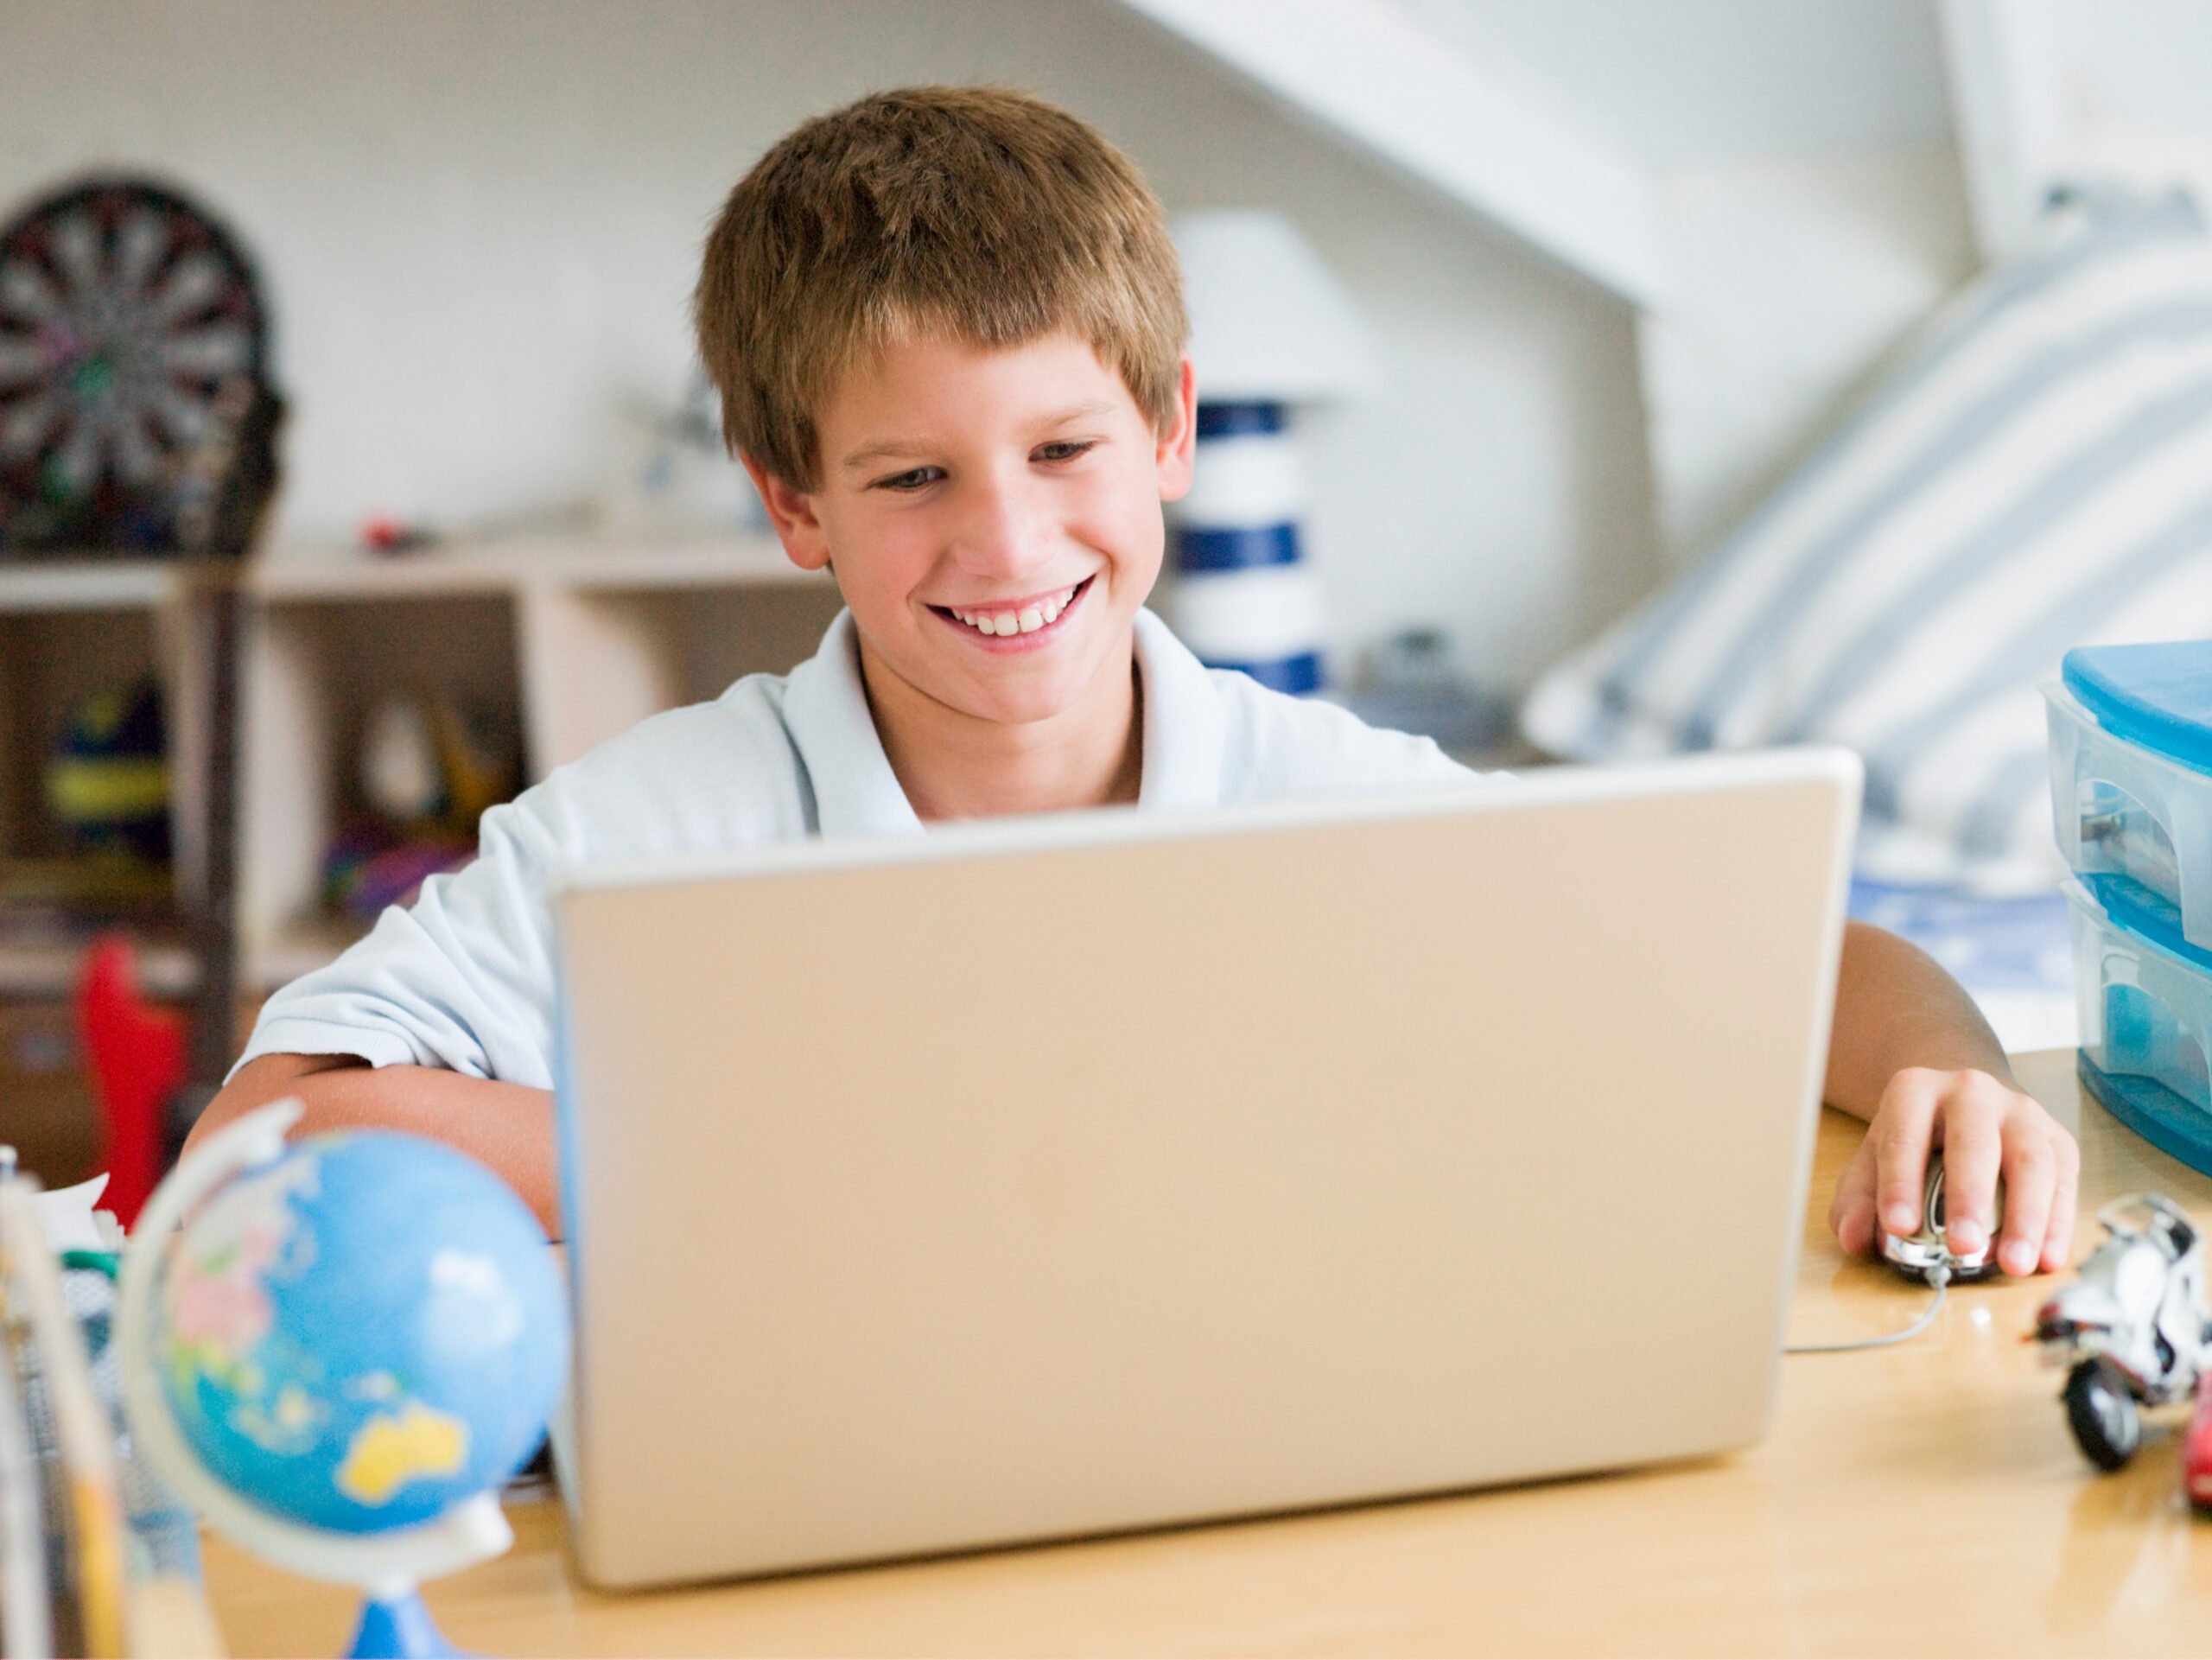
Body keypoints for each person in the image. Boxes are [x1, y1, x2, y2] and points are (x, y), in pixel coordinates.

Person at [192, 86, 2077, 1278]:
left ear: (1171, 431)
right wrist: (767, 1170)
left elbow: (1797, 953)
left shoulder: (1319, 790)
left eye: (1064, 452)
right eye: (911, 477)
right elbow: (259, 1132)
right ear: (790, 504)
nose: (1006, 548)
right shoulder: (653, 823)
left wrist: (1951, 1077)